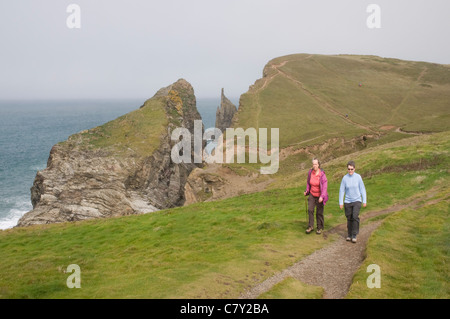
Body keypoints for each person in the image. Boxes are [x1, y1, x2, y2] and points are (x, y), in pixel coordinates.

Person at [339, 160, 367, 243]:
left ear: (354, 169)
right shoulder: (344, 178)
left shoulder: (358, 177)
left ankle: (354, 234)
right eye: (348, 169)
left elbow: (362, 189)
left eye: (351, 169)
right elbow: (342, 190)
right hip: (347, 201)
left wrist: (364, 200)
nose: (350, 171)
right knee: (349, 218)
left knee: (355, 216)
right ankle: (349, 234)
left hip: (357, 200)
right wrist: (341, 202)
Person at [303, 158, 328, 234]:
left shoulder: (322, 174)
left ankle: (319, 227)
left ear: (319, 165)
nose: (314, 166)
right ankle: (310, 226)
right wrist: (307, 191)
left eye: (316, 164)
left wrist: (322, 196)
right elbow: (308, 183)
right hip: (312, 194)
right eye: (313, 164)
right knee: (310, 210)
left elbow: (324, 186)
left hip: (320, 195)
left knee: (319, 212)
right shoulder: (310, 173)